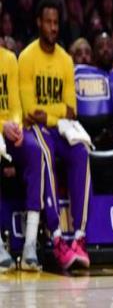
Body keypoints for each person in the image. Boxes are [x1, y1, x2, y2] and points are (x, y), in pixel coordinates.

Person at [18, 0, 92, 270]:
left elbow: (72, 110)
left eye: (56, 22)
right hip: (37, 129)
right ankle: (57, 236)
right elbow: (29, 111)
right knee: (44, 153)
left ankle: (79, 237)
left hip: (61, 128)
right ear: (39, 23)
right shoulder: (26, 58)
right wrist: (56, 113)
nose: (52, 27)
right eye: (48, 22)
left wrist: (49, 115)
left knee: (81, 152)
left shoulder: (65, 59)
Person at [0, 45, 20, 272]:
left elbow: (15, 105)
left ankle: (32, 244)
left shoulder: (9, 58)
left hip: (8, 130)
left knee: (34, 150)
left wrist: (16, 125)